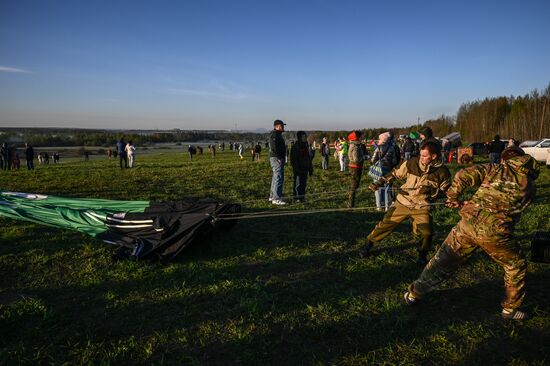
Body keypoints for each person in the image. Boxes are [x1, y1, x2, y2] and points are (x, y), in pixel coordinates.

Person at [403, 146, 540, 320]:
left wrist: (453, 197)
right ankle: (510, 308)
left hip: (467, 225)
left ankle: (414, 294)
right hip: (496, 233)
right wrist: (469, 203)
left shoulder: (494, 168)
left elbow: (462, 175)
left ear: (504, 160)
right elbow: (501, 204)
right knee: (516, 265)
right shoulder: (530, 185)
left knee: (442, 261)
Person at [360, 141, 451, 264]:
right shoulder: (412, 162)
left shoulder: (443, 172)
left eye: (425, 156)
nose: (421, 158)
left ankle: (422, 254)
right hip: (403, 201)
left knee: (426, 233)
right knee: (385, 224)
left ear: (433, 156)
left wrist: (432, 192)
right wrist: (379, 182)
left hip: (422, 206)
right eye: (421, 155)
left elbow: (447, 191)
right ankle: (368, 245)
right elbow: (395, 174)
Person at [371, 132, 400, 211]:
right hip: (388, 168)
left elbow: (373, 159)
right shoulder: (392, 148)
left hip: (377, 168)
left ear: (382, 139)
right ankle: (387, 206)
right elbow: (394, 161)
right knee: (387, 187)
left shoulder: (378, 148)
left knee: (377, 187)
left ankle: (379, 206)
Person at [290, 131, 313, 202]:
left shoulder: (306, 146)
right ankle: (296, 198)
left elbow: (309, 158)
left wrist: (310, 168)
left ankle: (302, 197)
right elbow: (294, 159)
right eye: (304, 136)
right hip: (298, 168)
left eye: (305, 136)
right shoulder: (295, 147)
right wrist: (296, 169)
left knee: (303, 184)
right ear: (299, 137)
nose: (305, 138)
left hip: (305, 168)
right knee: (298, 184)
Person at [269, 120, 287, 205]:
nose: (283, 127)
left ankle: (272, 196)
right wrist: (279, 158)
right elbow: (274, 147)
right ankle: (276, 198)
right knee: (279, 177)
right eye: (281, 125)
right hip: (277, 158)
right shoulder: (274, 135)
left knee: (275, 176)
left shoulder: (277, 134)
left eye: (283, 125)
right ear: (276, 126)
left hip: (277, 158)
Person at [347, 131, 367, 208]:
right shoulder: (355, 146)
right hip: (355, 167)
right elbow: (356, 159)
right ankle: (350, 204)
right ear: (357, 138)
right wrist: (365, 157)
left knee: (354, 185)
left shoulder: (356, 145)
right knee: (354, 185)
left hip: (355, 167)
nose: (362, 138)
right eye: (360, 136)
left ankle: (351, 202)